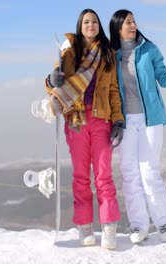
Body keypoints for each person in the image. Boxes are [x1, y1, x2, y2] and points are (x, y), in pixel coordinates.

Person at [109, 9, 166, 244]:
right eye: (128, 23)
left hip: (149, 119)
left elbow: (164, 78)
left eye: (134, 21)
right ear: (117, 27)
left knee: (149, 172)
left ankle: (163, 222)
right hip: (123, 122)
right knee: (129, 173)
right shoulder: (111, 55)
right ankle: (138, 225)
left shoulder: (149, 49)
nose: (133, 25)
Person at [45, 8, 124, 249]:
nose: (91, 25)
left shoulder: (108, 54)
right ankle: (84, 226)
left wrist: (118, 120)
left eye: (95, 21)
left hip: (101, 119)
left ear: (99, 26)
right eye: (86, 21)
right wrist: (52, 80)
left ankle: (108, 226)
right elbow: (53, 84)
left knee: (103, 175)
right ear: (80, 25)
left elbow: (112, 90)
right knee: (80, 177)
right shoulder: (69, 53)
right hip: (76, 121)